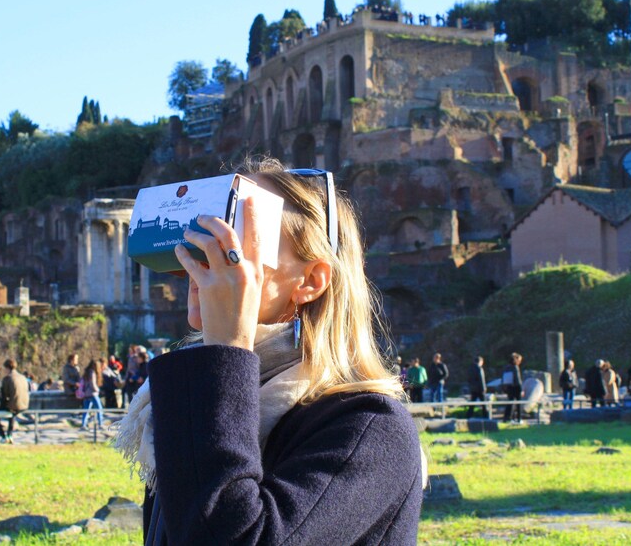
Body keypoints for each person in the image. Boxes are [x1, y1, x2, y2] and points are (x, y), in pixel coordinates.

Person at [116, 160, 423, 544]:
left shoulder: (370, 426)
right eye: (208, 230)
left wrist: (226, 350)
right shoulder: (188, 401)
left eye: (238, 237)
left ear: (311, 281)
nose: (200, 257)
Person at [0, 358, 30, 444]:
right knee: (12, 416)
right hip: (24, 403)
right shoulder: (22, 377)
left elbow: (4, 394)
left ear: (7, 368)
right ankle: (9, 435)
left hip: (14, 405)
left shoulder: (8, 378)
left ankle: (4, 435)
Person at [79, 360, 104, 431]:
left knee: (86, 410)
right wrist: (98, 390)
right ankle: (100, 424)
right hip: (93, 394)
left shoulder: (86, 373)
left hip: (86, 394)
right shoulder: (92, 373)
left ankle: (83, 425)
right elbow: (92, 384)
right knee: (99, 408)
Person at [502, 353, 523, 423]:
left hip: (509, 387)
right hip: (516, 387)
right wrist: (521, 389)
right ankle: (519, 418)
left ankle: (508, 417)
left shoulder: (506, 367)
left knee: (510, 403)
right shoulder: (515, 367)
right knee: (518, 404)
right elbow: (517, 379)